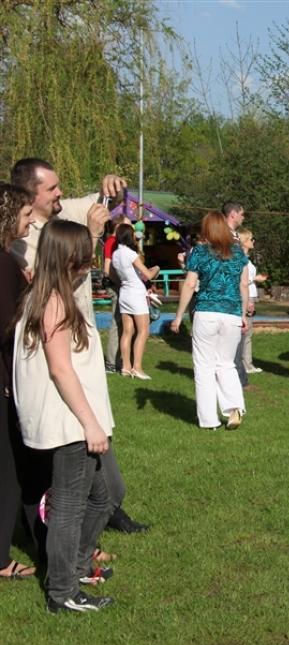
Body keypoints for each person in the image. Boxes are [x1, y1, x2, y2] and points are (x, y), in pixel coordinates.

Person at [9, 158, 148, 535]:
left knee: (95, 436)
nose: (59, 194)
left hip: (79, 345)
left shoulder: (59, 210)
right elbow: (51, 286)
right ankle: (65, 544)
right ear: (29, 195)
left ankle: (103, 509)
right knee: (72, 445)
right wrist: (88, 236)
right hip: (54, 355)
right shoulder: (21, 242)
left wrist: (108, 187)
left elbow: (97, 203)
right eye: (52, 189)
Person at [13, 219, 116, 612]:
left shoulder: (47, 294)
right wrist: (90, 423)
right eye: (84, 260)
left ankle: (75, 567)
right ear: (67, 259)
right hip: (69, 424)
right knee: (72, 507)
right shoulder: (53, 301)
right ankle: (63, 592)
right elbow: (60, 368)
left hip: (74, 420)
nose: (88, 267)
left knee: (101, 498)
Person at [169, 212, 249, 430]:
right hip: (232, 313)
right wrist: (243, 314)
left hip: (206, 312)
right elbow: (244, 284)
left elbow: (189, 284)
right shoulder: (238, 253)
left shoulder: (199, 253)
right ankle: (234, 407)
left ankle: (208, 421)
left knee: (204, 366)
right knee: (226, 363)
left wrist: (178, 316)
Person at [0, 183, 36, 580]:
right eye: (25, 215)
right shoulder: (5, 263)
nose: (29, 223)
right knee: (9, 471)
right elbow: (7, 329)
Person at [112, 223, 159, 380]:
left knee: (127, 331)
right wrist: (157, 268)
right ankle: (137, 367)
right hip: (136, 293)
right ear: (129, 236)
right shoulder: (131, 254)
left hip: (124, 293)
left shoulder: (115, 254)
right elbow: (148, 275)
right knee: (143, 331)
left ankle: (126, 367)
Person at [222, 202, 248, 390]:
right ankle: (238, 381)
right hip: (228, 296)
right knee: (232, 343)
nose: (243, 218)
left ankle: (237, 378)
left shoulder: (231, 236)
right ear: (232, 214)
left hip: (224, 295)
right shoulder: (226, 237)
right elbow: (242, 278)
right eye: (241, 214)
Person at [101, 216, 131, 374]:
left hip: (119, 285)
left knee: (121, 322)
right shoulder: (112, 242)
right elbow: (107, 267)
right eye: (127, 224)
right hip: (116, 285)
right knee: (117, 321)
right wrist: (119, 284)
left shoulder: (115, 242)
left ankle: (119, 359)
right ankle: (112, 362)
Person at [237, 229, 267, 374]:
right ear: (244, 241)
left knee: (247, 332)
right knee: (245, 332)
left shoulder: (246, 259)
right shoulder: (241, 258)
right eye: (251, 239)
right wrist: (255, 279)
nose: (253, 241)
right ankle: (245, 364)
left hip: (250, 295)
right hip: (246, 296)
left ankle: (246, 363)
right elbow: (240, 280)